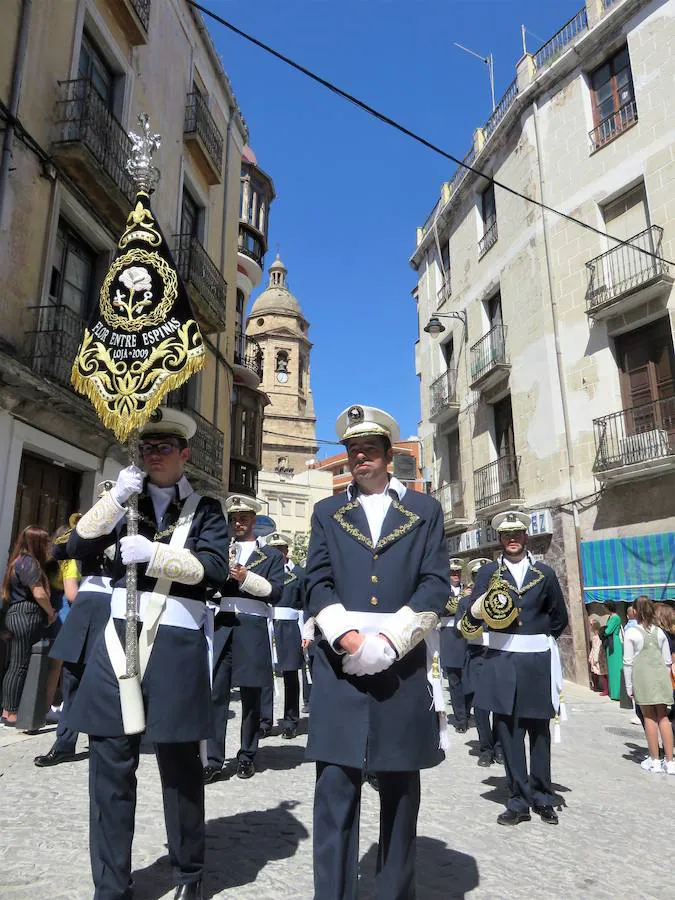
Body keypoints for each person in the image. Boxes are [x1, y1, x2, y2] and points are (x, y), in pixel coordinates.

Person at [66, 407, 230, 900]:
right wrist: (115, 497)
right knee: (109, 768)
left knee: (179, 769)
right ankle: (111, 884)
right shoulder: (121, 504)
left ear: (184, 454)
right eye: (146, 448)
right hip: (117, 639)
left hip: (175, 644)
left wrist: (156, 555)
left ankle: (188, 872)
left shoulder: (205, 510)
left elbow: (215, 570)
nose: (153, 455)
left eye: (163, 448)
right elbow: (77, 544)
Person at [305, 404, 450, 899]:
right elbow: (316, 581)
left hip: (401, 669)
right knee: (334, 797)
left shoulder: (424, 510)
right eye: (351, 450)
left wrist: (390, 642)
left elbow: (434, 585)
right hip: (338, 667)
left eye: (369, 449)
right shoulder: (327, 512)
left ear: (390, 456)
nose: (359, 457)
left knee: (399, 794)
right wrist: (346, 637)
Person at [459, 510, 568, 826]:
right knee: (508, 733)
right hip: (502, 661)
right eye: (506, 535)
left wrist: (535, 642)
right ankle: (518, 800)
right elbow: (472, 619)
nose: (512, 539)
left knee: (539, 733)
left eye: (517, 533)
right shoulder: (488, 574)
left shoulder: (545, 573)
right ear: (500, 539)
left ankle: (543, 796)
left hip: (535, 662)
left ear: (525, 536)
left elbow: (558, 617)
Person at [204, 495, 284, 782]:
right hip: (223, 622)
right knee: (216, 694)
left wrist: (246, 578)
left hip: (252, 623)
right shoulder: (220, 551)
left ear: (254, 521)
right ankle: (213, 759)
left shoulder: (271, 556)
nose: (238, 523)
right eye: (234, 519)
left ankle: (247, 756)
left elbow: (276, 593)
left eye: (244, 518)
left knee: (251, 695)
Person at [35, 510, 113, 768]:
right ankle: (64, 743)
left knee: (105, 683)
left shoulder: (130, 534)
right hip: (84, 608)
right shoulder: (83, 539)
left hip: (114, 607)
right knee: (72, 680)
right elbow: (62, 550)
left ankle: (103, 740)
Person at [1, 526, 56, 726]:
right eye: (45, 542)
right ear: (36, 543)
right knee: (21, 664)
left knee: (15, 664)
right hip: (27, 614)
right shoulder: (29, 563)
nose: (48, 546)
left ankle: (8, 710)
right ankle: (12, 712)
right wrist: (50, 612)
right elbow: (39, 593)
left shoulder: (16, 562)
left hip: (15, 612)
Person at [458, 557, 503, 767]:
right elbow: (463, 630)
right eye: (479, 578)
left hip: (498, 654)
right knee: (482, 707)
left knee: (501, 705)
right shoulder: (467, 602)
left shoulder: (504, 599)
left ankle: (501, 747)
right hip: (477, 655)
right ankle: (486, 748)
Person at [623, 596, 674, 775]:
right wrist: (665, 681)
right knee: (663, 717)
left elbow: (628, 662)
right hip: (660, 677)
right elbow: (667, 661)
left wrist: (629, 687)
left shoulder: (631, 633)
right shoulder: (660, 633)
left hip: (642, 678)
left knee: (649, 717)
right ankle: (670, 761)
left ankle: (655, 760)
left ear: (635, 612)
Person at [262, 532, 305, 740]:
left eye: (281, 549)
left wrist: (306, 631)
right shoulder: (263, 571)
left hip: (289, 627)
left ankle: (290, 720)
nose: (278, 553)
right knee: (264, 675)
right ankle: (264, 721)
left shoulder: (299, 574)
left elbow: (304, 605)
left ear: (287, 551)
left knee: (290, 676)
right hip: (267, 624)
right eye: (274, 550)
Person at [440, 558, 471, 733]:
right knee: (454, 680)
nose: (456, 576)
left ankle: (466, 711)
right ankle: (460, 718)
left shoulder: (469, 588)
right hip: (450, 637)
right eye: (452, 573)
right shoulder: (442, 591)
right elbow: (448, 607)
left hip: (467, 637)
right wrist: (462, 597)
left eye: (458, 572)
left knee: (469, 679)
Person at [601, 601, 623, 701]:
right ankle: (614, 692)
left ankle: (617, 693)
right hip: (611, 642)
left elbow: (608, 631)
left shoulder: (615, 618)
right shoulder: (612, 617)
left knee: (616, 668)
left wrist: (602, 630)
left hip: (614, 642)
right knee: (612, 668)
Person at [588, 619, 608, 695]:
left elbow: (597, 648)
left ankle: (606, 690)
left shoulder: (598, 637)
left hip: (599, 657)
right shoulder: (594, 637)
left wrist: (596, 658)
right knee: (594, 672)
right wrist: (591, 656)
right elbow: (593, 648)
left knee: (603, 673)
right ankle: (595, 686)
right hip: (594, 656)